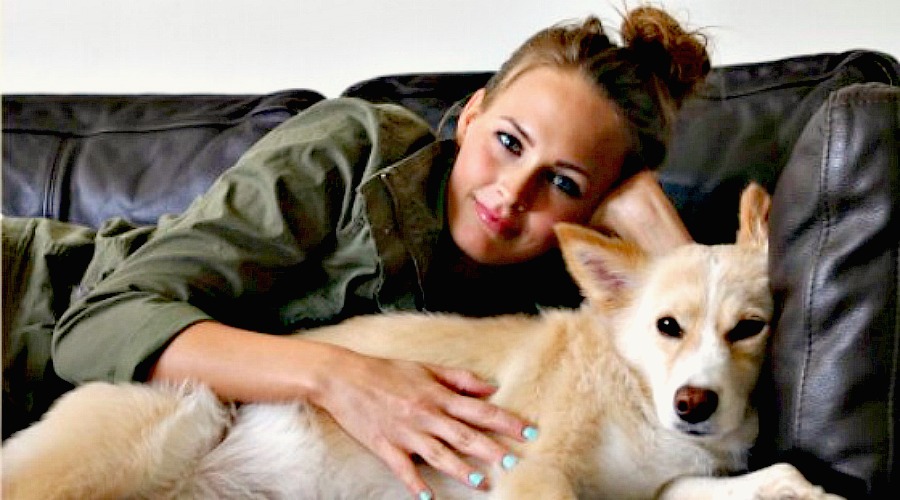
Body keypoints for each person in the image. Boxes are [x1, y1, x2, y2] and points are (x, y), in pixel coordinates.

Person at [2, 5, 709, 498]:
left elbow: (716, 401)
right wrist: (342, 377)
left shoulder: (567, 314)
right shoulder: (358, 147)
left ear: (597, 208)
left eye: (563, 182)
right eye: (508, 141)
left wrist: (660, 234)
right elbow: (97, 324)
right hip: (27, 299)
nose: (514, 191)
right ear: (471, 115)